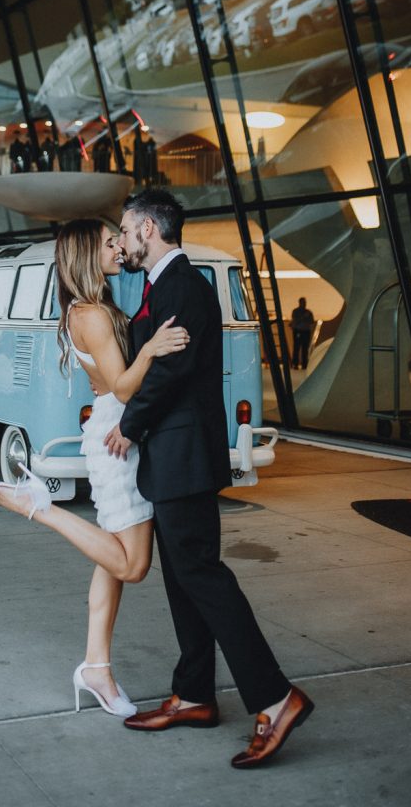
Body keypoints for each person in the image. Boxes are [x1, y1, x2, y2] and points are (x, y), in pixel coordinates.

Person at [104, 188, 313, 769]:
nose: (122, 239)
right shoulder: (160, 285)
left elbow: (169, 371)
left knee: (203, 576)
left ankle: (275, 697)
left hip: (182, 456)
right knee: (185, 579)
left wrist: (130, 424)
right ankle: (195, 694)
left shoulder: (183, 287)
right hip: (175, 459)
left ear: (148, 227)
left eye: (126, 229)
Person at [0, 217, 190, 718]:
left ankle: (96, 666)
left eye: (119, 239)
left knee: (109, 562)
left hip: (116, 432)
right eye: (108, 243)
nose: (119, 247)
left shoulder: (93, 307)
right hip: (120, 437)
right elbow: (121, 387)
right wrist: (155, 349)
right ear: (84, 254)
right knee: (132, 565)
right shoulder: (91, 314)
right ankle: (36, 506)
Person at [291, 297, 315, 370]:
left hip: (306, 331)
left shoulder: (309, 312)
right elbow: (295, 320)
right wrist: (303, 317)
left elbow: (311, 321)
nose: (304, 304)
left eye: (305, 302)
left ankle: (304, 364)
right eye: (303, 302)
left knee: (305, 348)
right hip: (298, 331)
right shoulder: (296, 311)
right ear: (299, 303)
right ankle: (295, 364)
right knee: (296, 348)